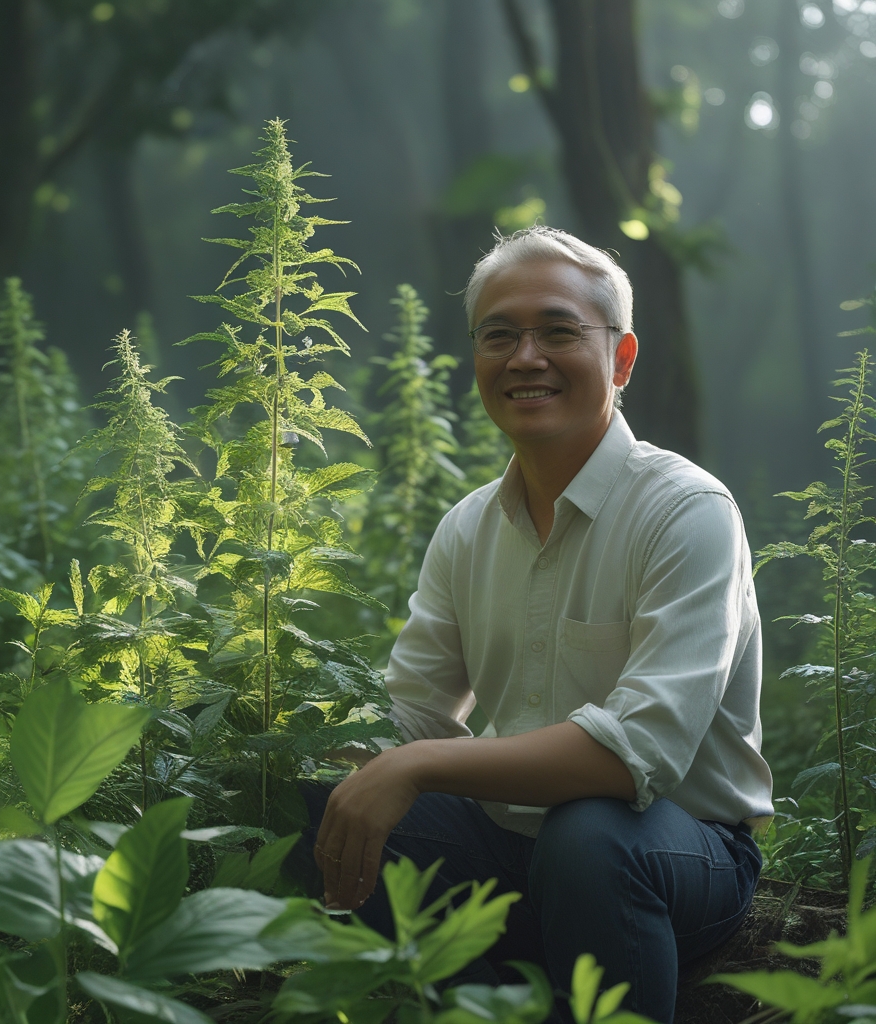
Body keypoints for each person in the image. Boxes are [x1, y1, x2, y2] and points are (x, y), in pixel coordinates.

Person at [305, 225, 774, 1024]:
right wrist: (339, 762)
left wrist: (415, 767)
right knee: (331, 801)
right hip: (508, 849)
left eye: (558, 331)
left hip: (669, 855)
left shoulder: (688, 512)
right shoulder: (467, 527)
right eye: (499, 336)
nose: (525, 358)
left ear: (621, 359)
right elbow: (415, 709)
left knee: (589, 835)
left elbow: (638, 754)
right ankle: (489, 1003)